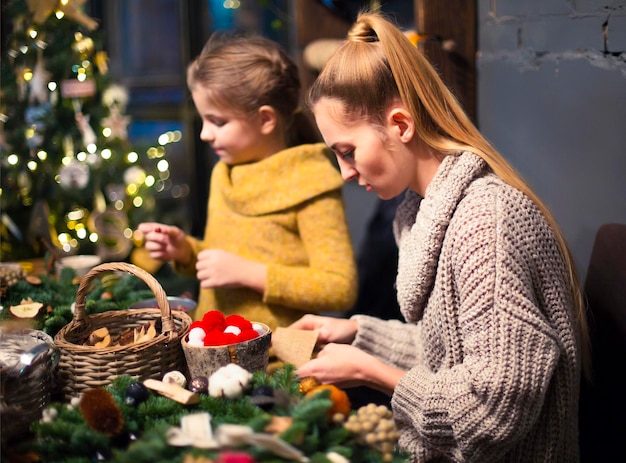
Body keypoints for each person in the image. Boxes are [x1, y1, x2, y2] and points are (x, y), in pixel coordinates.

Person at [290, 11, 590, 462]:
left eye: (347, 151)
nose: (345, 173)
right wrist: (357, 332)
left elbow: (490, 411)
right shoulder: (423, 210)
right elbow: (449, 351)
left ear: (401, 124)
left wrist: (372, 372)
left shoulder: (485, 223)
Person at [138, 34, 358, 330]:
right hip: (211, 350)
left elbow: (339, 287)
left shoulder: (311, 182)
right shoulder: (224, 172)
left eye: (218, 122)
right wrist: (186, 251)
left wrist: (251, 274)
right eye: (203, 120)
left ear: (266, 119)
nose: (205, 134)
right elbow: (226, 264)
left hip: (278, 363)